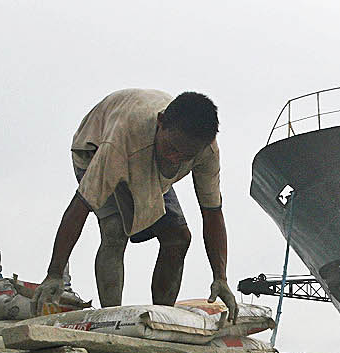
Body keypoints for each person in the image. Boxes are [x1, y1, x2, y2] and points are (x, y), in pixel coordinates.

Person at [35, 89, 234, 320]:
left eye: (185, 156)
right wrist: (54, 273)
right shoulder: (121, 138)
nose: (174, 158)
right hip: (96, 147)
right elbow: (80, 206)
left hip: (149, 168)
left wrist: (221, 277)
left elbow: (212, 212)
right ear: (161, 123)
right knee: (114, 230)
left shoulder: (206, 151)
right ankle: (112, 317)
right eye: (171, 148)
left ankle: (163, 317)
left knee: (179, 237)